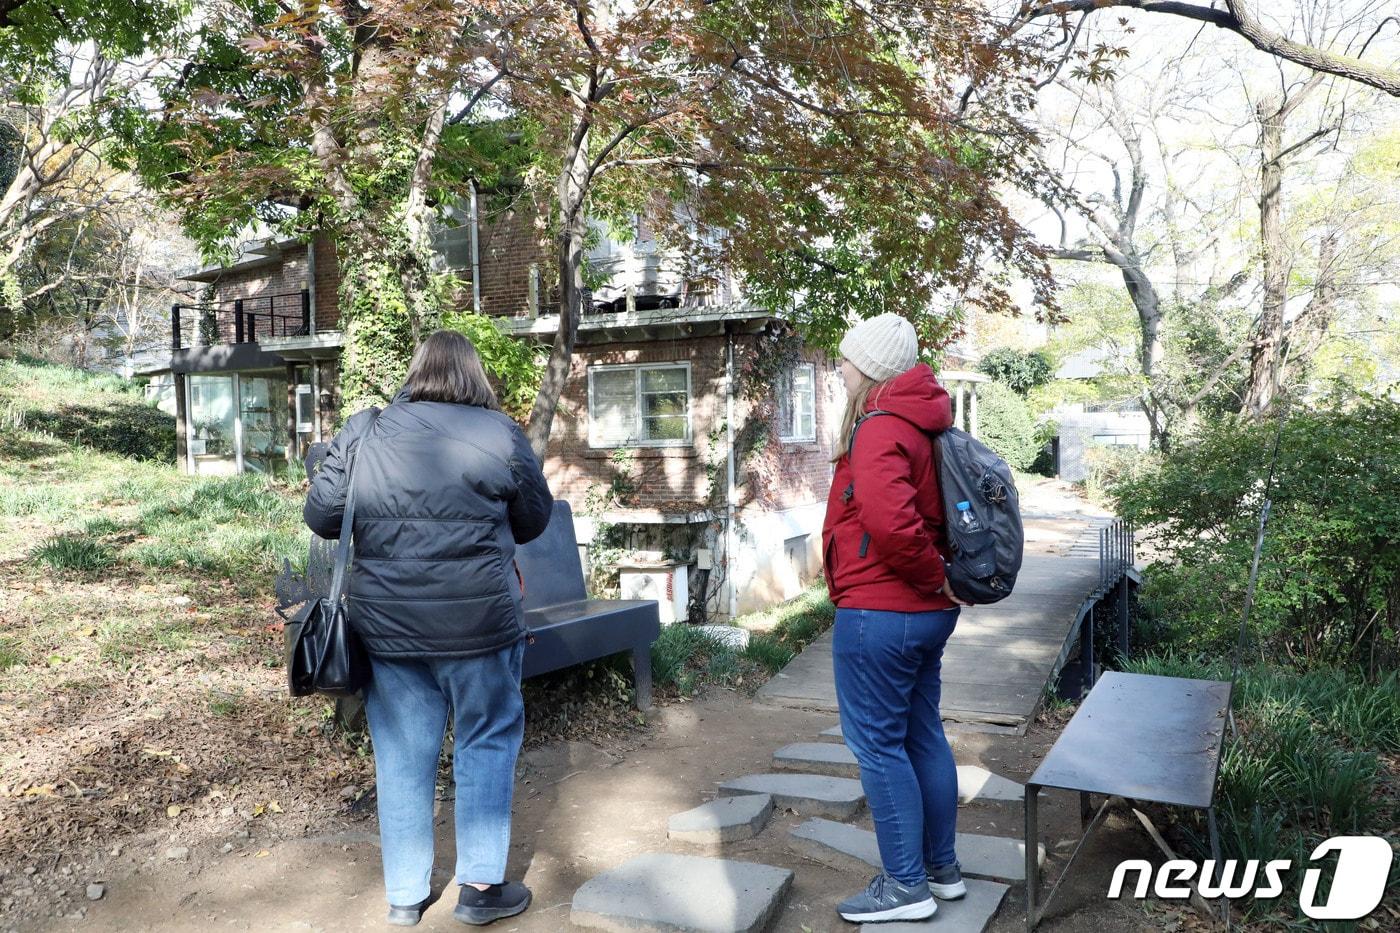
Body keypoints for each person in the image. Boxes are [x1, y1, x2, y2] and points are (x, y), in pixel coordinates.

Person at [304, 330, 553, 928]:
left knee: (401, 757)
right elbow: (533, 520)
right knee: (486, 742)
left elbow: (322, 516)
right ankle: (480, 891)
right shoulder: (500, 434)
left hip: (388, 630)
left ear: (416, 372)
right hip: (480, 627)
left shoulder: (366, 430)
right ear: (475, 376)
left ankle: (405, 896)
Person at [821, 312, 970, 924]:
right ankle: (941, 869)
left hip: (883, 610)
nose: (841, 368)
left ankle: (906, 886)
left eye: (847, 359)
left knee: (878, 748)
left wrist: (932, 574)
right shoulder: (921, 417)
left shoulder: (881, 426)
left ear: (872, 366)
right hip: (920, 611)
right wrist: (937, 583)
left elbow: (890, 525)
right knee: (920, 735)